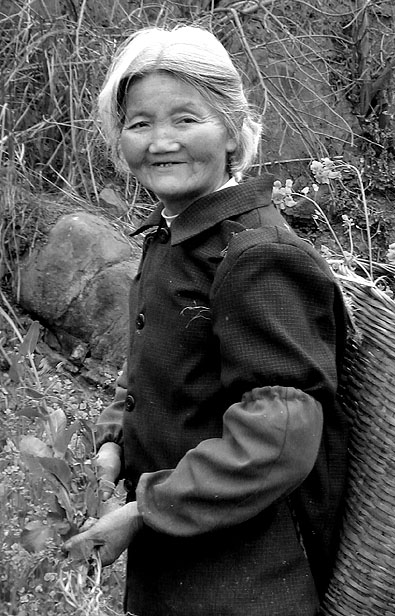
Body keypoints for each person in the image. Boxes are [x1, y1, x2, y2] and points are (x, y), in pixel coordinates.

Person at [63, 25, 349, 616]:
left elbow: (279, 439)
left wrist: (146, 511)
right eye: (139, 123)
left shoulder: (256, 256)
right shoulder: (177, 237)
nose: (161, 141)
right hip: (177, 570)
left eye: (186, 119)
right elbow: (158, 369)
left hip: (245, 579)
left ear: (232, 129)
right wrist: (115, 438)